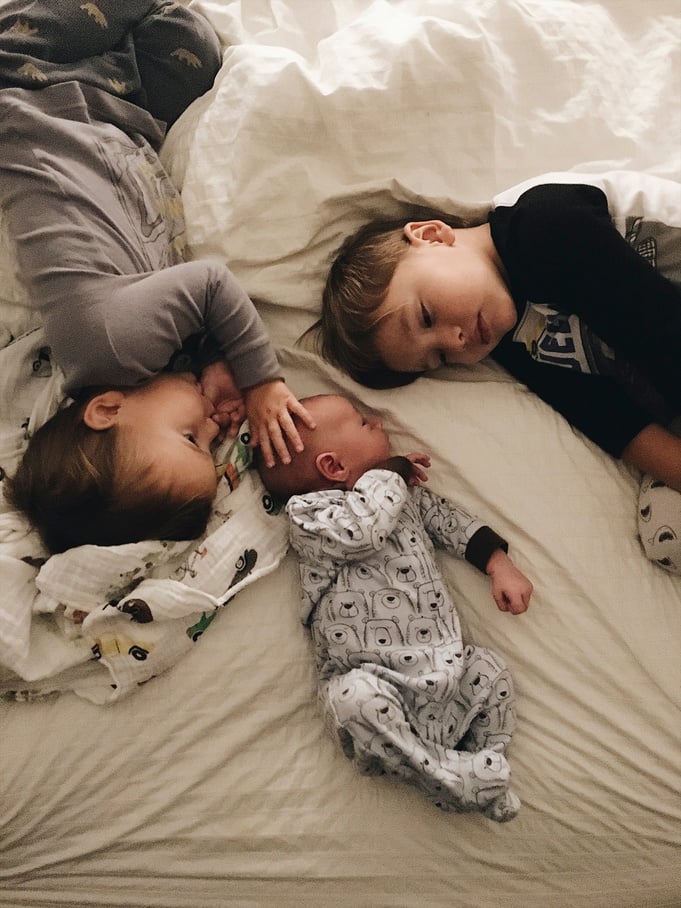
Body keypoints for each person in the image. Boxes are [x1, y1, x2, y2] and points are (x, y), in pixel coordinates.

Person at [0, 0, 313, 553]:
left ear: (107, 410)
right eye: (208, 444)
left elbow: (210, 284)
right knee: (193, 53)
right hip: (117, 114)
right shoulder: (134, 365)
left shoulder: (115, 343)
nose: (214, 430)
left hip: (33, 82)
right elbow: (182, 316)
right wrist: (213, 363)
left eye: (190, 437)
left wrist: (262, 380)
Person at [312, 179, 681, 574]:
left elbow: (664, 335)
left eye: (426, 316)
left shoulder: (542, 226)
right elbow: (609, 419)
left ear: (431, 235)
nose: (454, 342)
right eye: (438, 358)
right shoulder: (511, 340)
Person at [258, 393, 533, 821]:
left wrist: (500, 566)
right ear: (333, 466)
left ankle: (481, 766)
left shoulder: (407, 498)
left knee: (491, 672)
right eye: (362, 423)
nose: (377, 420)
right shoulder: (310, 515)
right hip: (372, 682)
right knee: (351, 699)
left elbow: (451, 522)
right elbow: (362, 532)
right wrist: (388, 475)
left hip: (446, 678)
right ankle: (444, 773)